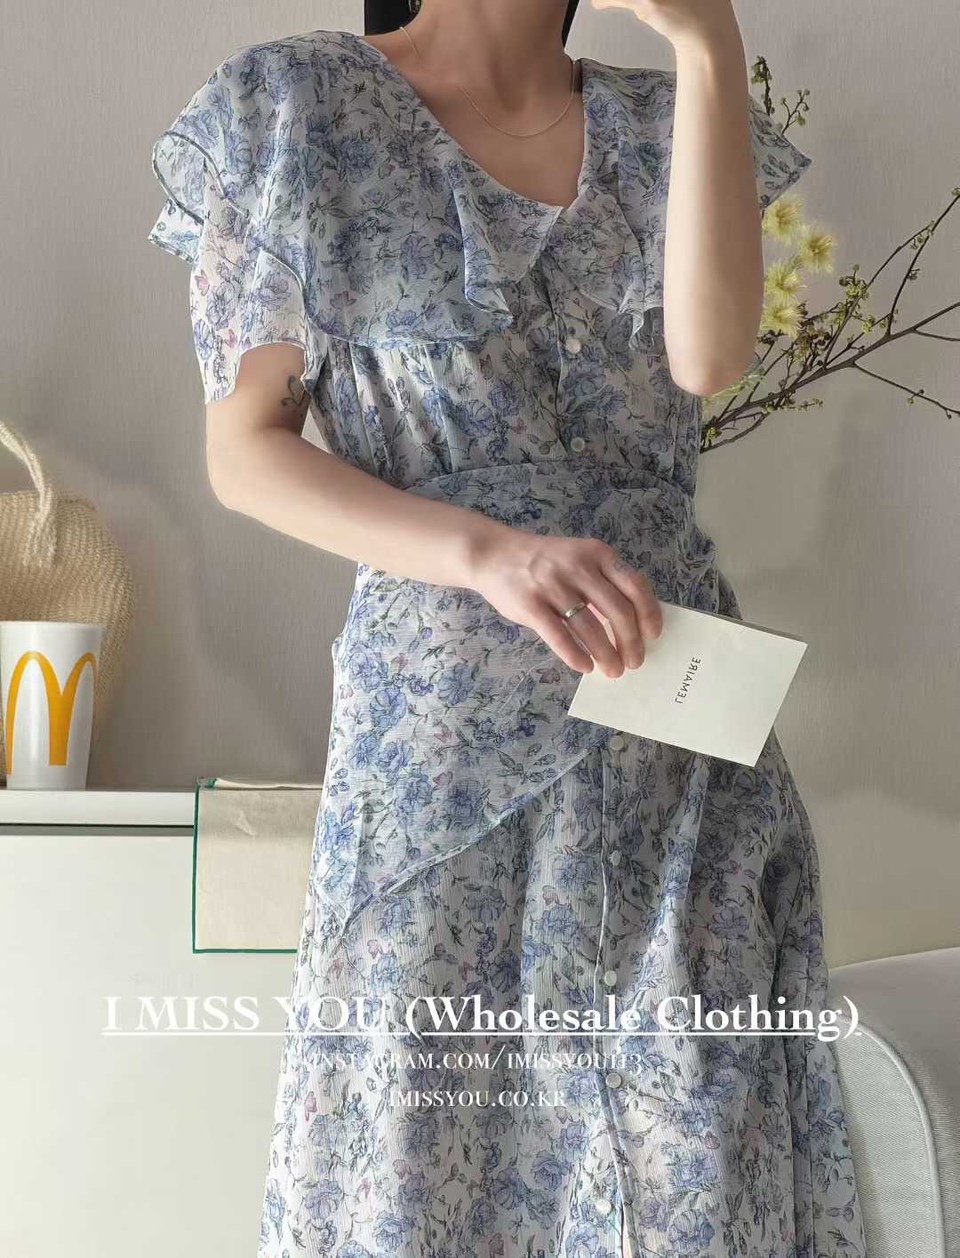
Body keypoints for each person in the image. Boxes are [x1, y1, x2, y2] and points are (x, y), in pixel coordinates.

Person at [147, 2, 867, 1254]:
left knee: (693, 1162)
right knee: (422, 1165)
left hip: (669, 731)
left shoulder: (665, 120)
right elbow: (244, 452)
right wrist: (487, 553)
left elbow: (709, 358)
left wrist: (707, 40)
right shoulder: (295, 109)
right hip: (442, 751)